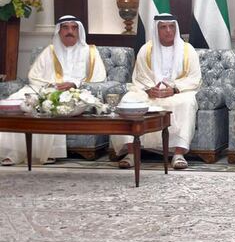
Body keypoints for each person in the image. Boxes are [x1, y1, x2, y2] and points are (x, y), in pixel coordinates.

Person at [1, 15, 107, 166]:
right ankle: (12, 152)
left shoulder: (90, 52)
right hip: (46, 88)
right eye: (65, 27)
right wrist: (51, 86)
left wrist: (74, 84)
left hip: (76, 92)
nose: (70, 31)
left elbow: (100, 77)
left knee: (55, 104)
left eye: (74, 27)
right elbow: (33, 76)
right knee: (16, 101)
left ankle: (48, 152)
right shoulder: (49, 51)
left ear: (79, 30)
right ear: (59, 31)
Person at [111, 14, 201, 170]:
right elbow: (140, 76)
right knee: (128, 100)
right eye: (163, 27)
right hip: (148, 93)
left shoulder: (188, 50)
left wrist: (173, 89)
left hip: (177, 93)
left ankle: (179, 153)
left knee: (187, 103)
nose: (168, 31)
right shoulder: (146, 49)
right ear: (156, 29)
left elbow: (194, 78)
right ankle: (132, 154)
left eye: (171, 26)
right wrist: (149, 89)